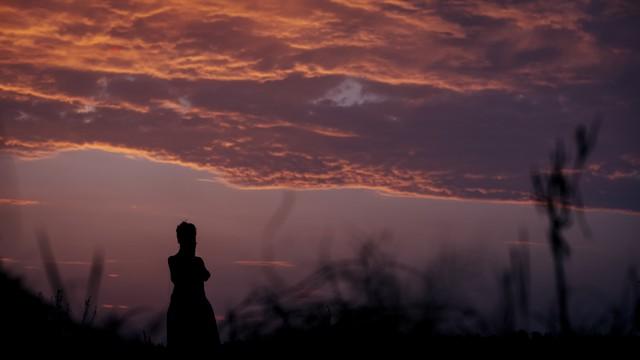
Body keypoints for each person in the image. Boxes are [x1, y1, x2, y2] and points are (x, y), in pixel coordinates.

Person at [167, 221, 221, 353]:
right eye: (191, 238)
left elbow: (206, 275)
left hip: (200, 310)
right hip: (182, 310)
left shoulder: (197, 261)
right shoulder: (174, 260)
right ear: (180, 240)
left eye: (194, 238)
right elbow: (177, 279)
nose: (194, 242)